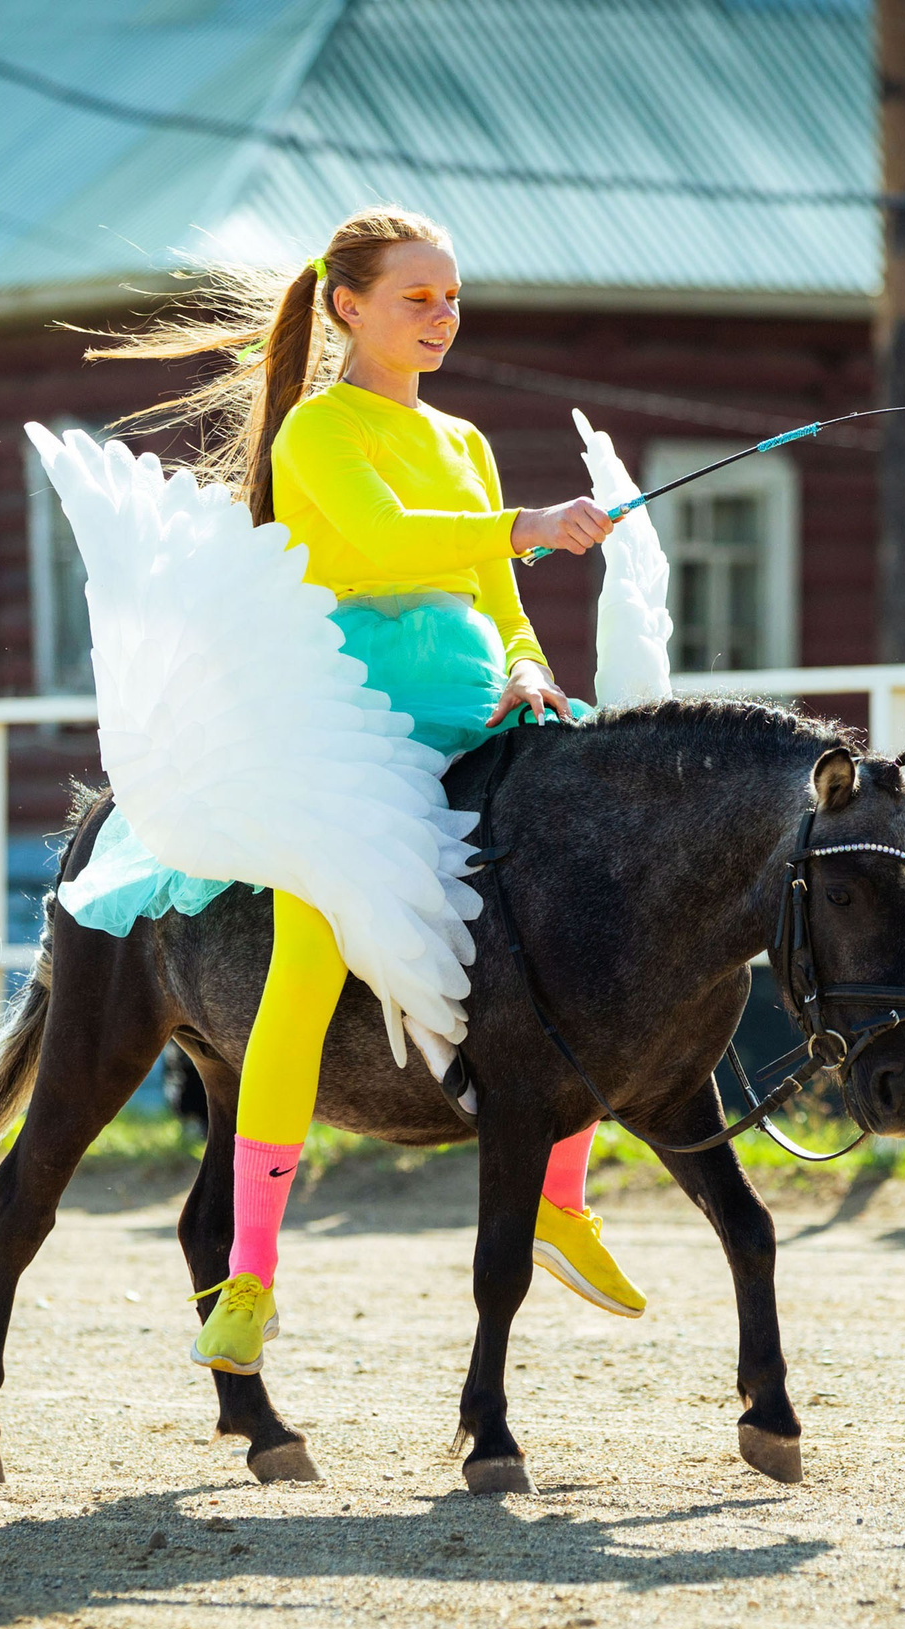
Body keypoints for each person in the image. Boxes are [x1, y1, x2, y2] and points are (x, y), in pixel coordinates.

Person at [73, 207, 648, 1370]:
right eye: (416, 298)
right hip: (352, 725)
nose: (442, 317)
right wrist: (529, 522)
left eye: (450, 297)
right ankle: (248, 1275)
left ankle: (560, 1192)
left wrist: (532, 667)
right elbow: (385, 544)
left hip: (482, 707)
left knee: (614, 893)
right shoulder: (315, 430)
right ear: (348, 305)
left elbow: (499, 597)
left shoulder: (468, 440)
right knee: (306, 958)